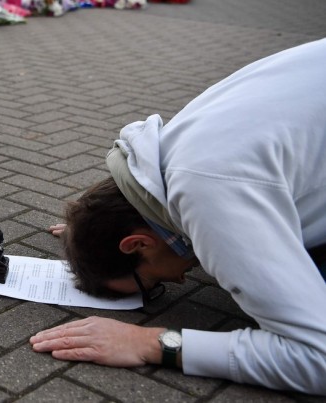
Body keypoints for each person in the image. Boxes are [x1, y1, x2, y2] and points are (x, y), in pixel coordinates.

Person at [29, 37, 326, 396]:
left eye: (153, 283)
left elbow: (317, 358)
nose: (182, 281)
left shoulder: (209, 192)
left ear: (137, 243)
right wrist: (90, 231)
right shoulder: (167, 152)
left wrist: (148, 342)